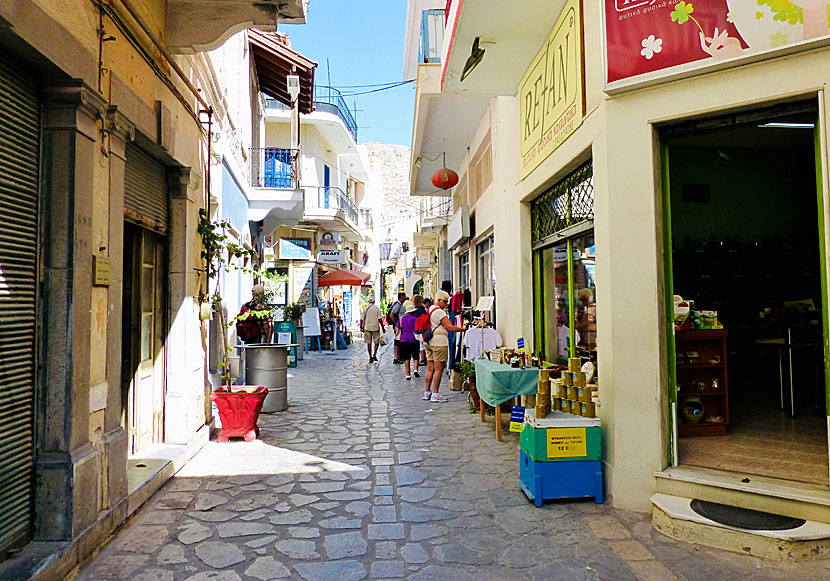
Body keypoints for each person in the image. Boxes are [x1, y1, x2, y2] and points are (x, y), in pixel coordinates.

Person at [422, 290, 465, 403]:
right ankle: (435, 394)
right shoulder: (440, 312)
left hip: (428, 342)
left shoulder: (430, 309)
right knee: (438, 369)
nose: (446, 304)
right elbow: (450, 327)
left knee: (430, 368)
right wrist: (464, 329)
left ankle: (427, 392)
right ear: (439, 300)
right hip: (439, 343)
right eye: (445, 302)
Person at [396, 300, 421, 380]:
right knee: (416, 356)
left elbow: (396, 328)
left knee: (406, 357)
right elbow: (418, 328)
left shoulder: (402, 319)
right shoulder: (415, 319)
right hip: (414, 339)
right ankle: (415, 369)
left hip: (404, 339)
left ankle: (407, 374)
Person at [360, 296, 384, 363]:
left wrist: (361, 327)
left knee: (368, 342)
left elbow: (362, 319)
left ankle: (370, 357)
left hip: (367, 327)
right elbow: (380, 319)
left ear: (368, 301)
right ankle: (374, 354)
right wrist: (382, 327)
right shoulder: (376, 308)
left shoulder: (365, 308)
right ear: (374, 301)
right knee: (376, 342)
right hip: (375, 327)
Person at [388, 292, 407, 364]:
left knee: (399, 341)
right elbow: (391, 315)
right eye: (404, 298)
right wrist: (396, 324)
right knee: (397, 341)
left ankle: (399, 357)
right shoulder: (397, 305)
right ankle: (396, 357)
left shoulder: (400, 304)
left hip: (400, 326)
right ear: (401, 298)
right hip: (398, 326)